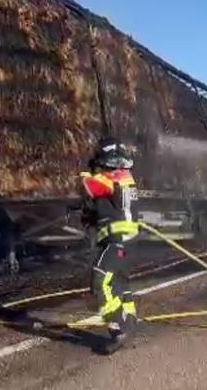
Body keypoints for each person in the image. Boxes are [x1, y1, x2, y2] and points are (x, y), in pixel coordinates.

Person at [80, 137, 140, 353]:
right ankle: (130, 320)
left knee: (100, 281)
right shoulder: (125, 177)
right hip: (126, 242)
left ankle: (118, 327)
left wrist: (85, 172)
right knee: (119, 285)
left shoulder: (112, 178)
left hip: (117, 242)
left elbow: (90, 185)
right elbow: (107, 205)